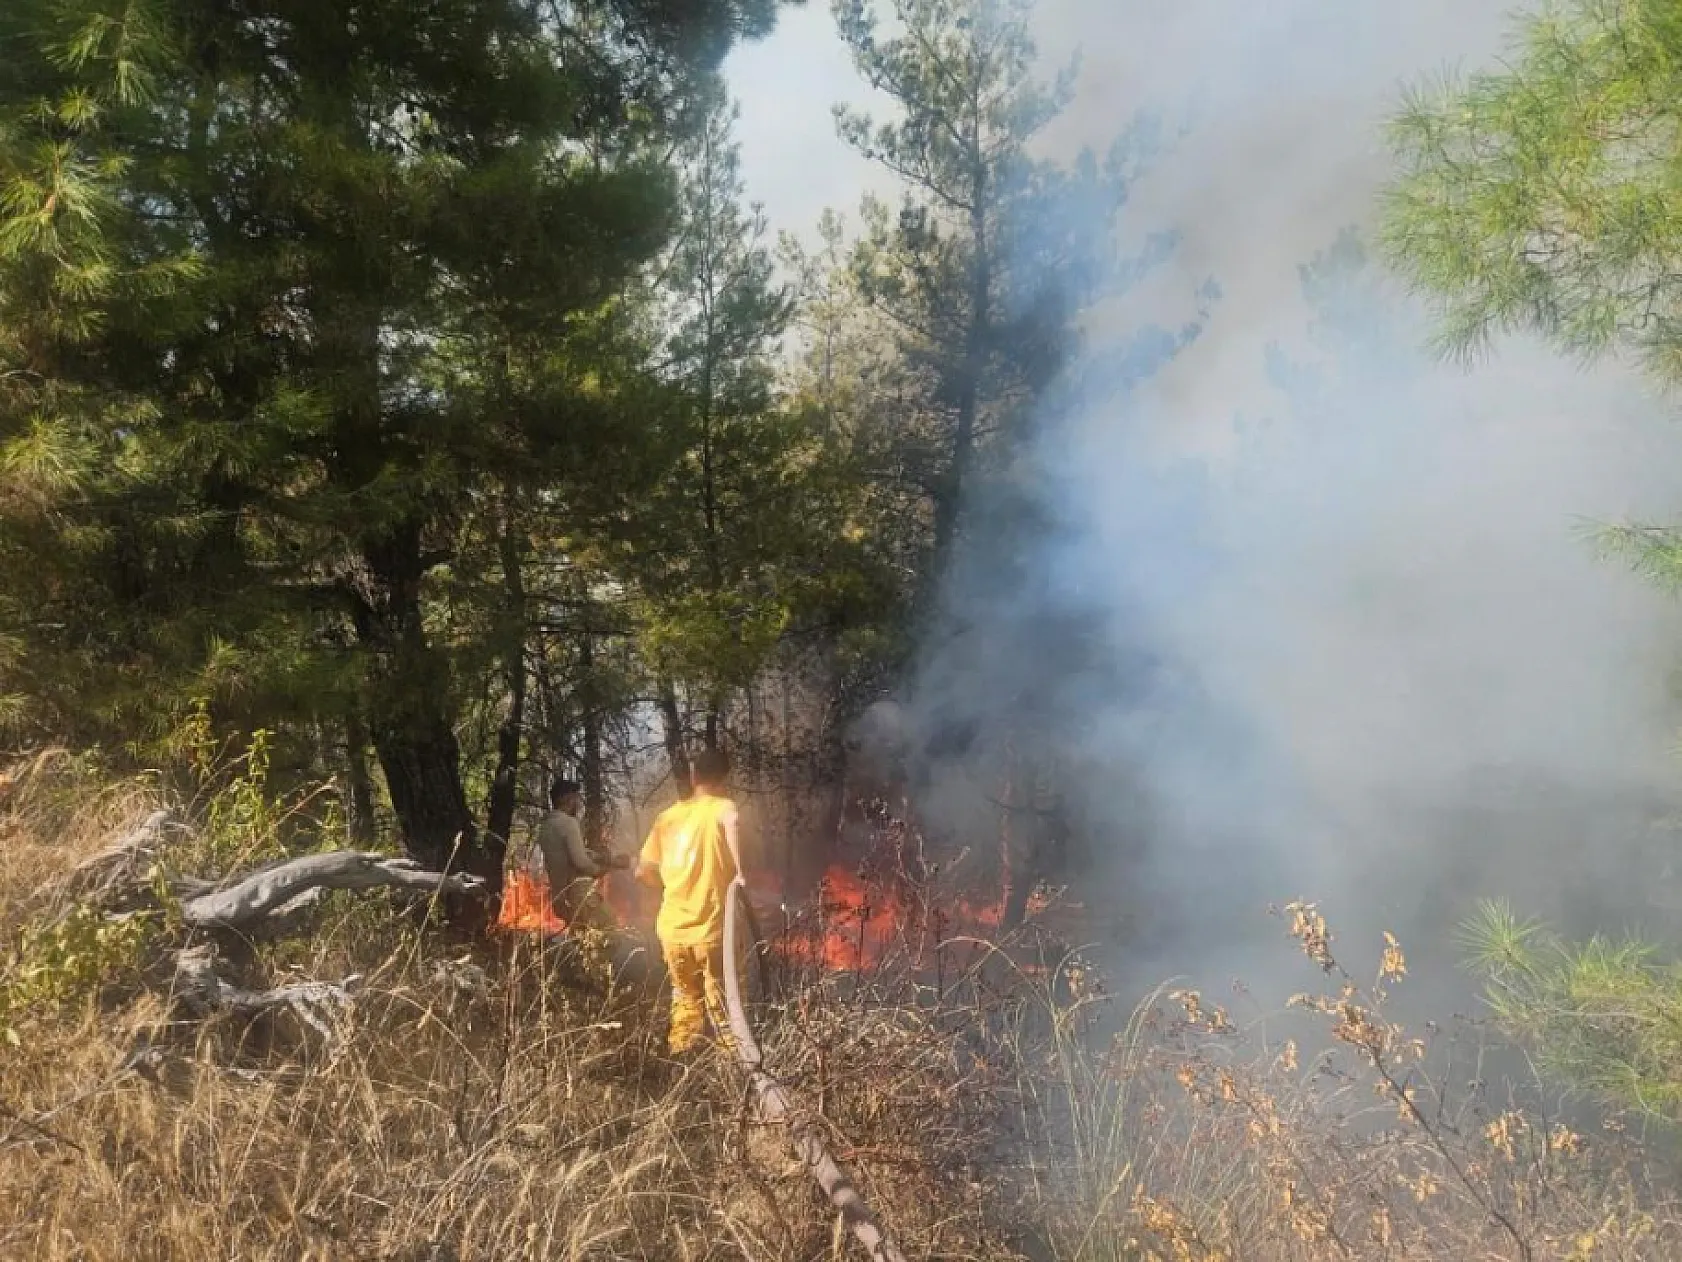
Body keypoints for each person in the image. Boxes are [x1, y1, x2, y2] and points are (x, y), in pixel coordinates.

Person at [635, 748, 743, 1056]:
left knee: (685, 1002)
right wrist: (740, 873)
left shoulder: (667, 817)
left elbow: (642, 873)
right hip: (712, 930)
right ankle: (733, 1076)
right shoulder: (724, 808)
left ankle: (680, 1069)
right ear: (724, 777)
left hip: (672, 930)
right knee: (724, 1007)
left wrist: (669, 885)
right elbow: (733, 822)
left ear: (694, 776)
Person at [536, 777, 628, 927]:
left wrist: (610, 861)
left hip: (560, 900)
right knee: (609, 931)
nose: (578, 803)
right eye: (575, 797)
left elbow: (572, 853)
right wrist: (600, 870)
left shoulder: (546, 826)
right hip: (580, 896)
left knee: (582, 940)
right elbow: (581, 862)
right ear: (566, 798)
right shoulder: (568, 823)